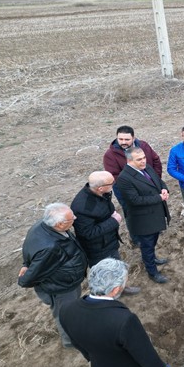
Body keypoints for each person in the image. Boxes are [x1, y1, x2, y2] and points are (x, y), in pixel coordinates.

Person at [59, 258, 173, 367]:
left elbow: (77, 344)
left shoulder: (66, 309)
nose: (126, 283)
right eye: (124, 281)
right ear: (115, 290)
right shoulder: (124, 320)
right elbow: (144, 354)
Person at [17, 203, 88, 348]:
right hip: (62, 288)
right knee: (64, 314)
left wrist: (26, 264)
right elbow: (31, 276)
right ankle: (70, 341)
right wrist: (23, 277)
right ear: (60, 224)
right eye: (71, 218)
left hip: (68, 280)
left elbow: (29, 249)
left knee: (71, 309)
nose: (75, 218)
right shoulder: (50, 248)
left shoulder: (42, 225)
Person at [70, 170, 140, 294]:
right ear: (100, 188)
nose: (114, 184)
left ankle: (120, 288)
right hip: (98, 250)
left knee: (116, 267)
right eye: (111, 183)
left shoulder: (100, 193)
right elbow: (87, 233)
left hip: (109, 241)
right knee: (104, 275)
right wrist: (114, 221)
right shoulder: (83, 207)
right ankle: (107, 296)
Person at [116, 147, 170, 284]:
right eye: (139, 159)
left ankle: (153, 258)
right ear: (129, 160)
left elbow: (158, 181)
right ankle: (152, 272)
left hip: (155, 215)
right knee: (146, 246)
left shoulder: (147, 168)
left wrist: (164, 188)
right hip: (143, 220)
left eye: (144, 158)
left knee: (152, 242)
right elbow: (135, 200)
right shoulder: (124, 179)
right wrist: (159, 197)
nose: (143, 161)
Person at [103, 125, 163, 244]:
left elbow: (156, 160)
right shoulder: (110, 155)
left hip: (149, 185)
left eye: (127, 139)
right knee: (131, 213)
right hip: (126, 190)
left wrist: (155, 179)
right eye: (120, 139)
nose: (123, 142)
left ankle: (154, 228)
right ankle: (136, 238)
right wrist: (135, 184)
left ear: (133, 138)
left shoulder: (144, 146)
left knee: (152, 207)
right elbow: (114, 175)